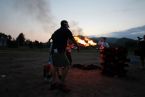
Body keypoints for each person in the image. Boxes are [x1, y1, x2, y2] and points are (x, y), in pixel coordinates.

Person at [49, 20, 79, 92]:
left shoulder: (56, 31)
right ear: (66, 24)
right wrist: (78, 46)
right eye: (67, 24)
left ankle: (53, 84)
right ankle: (61, 84)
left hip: (54, 50)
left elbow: (51, 38)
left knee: (55, 66)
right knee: (67, 65)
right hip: (59, 51)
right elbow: (72, 38)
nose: (68, 25)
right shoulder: (66, 30)